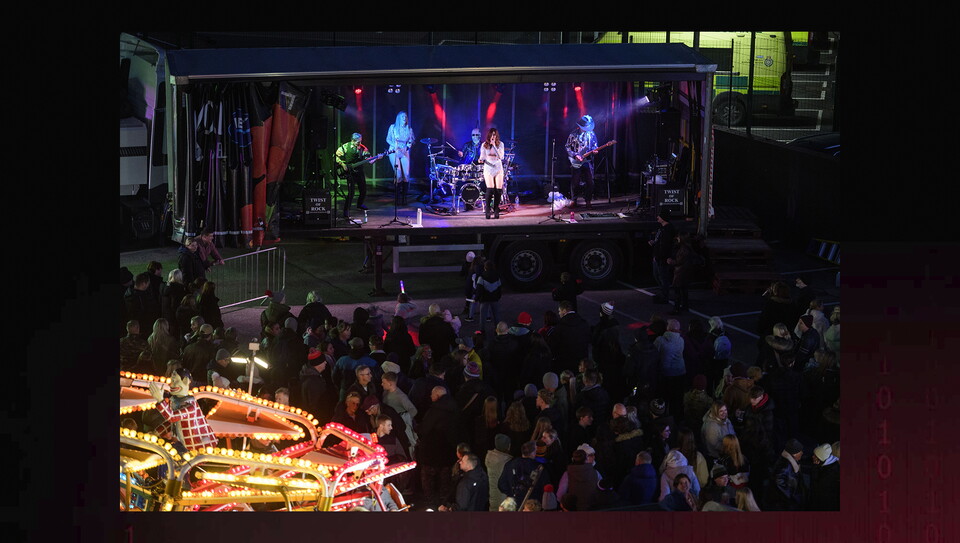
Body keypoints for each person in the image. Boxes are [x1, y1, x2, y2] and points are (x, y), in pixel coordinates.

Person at [335, 132, 373, 218]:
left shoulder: (363, 148)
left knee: (363, 190)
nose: (359, 144)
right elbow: (336, 156)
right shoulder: (345, 147)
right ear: (352, 141)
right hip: (350, 172)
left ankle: (360, 204)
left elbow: (369, 159)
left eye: (360, 141)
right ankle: (346, 210)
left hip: (359, 171)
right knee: (351, 193)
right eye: (358, 142)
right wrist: (342, 164)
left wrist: (375, 159)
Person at [565, 114, 598, 208]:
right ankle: (574, 200)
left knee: (590, 181)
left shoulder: (592, 134)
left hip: (588, 161)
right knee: (575, 181)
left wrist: (595, 150)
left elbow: (594, 146)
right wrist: (575, 155)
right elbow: (567, 147)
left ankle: (588, 200)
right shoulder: (573, 134)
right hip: (576, 161)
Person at [648, 208, 677, 304]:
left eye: (659, 216)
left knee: (663, 277)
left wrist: (664, 257)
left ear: (663, 218)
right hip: (657, 257)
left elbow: (667, 246)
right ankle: (663, 293)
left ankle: (665, 296)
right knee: (657, 275)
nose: (657, 217)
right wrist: (654, 243)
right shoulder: (661, 228)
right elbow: (660, 242)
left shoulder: (668, 230)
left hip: (662, 259)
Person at [386, 111, 415, 204]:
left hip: (404, 151)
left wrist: (407, 147)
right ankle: (397, 198)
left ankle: (404, 198)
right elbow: (388, 139)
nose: (404, 118)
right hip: (394, 151)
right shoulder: (393, 127)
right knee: (398, 175)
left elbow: (411, 140)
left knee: (406, 175)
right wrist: (395, 146)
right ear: (399, 118)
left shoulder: (409, 129)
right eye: (402, 116)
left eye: (406, 116)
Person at [476, 127, 505, 219]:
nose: (493, 136)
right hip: (488, 167)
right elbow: (482, 156)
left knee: (498, 189)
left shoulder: (500, 144)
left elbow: (501, 156)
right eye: (492, 134)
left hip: (498, 167)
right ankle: (487, 210)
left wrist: (494, 146)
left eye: (495, 134)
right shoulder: (484, 145)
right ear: (489, 135)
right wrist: (480, 159)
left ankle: (496, 209)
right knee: (490, 188)